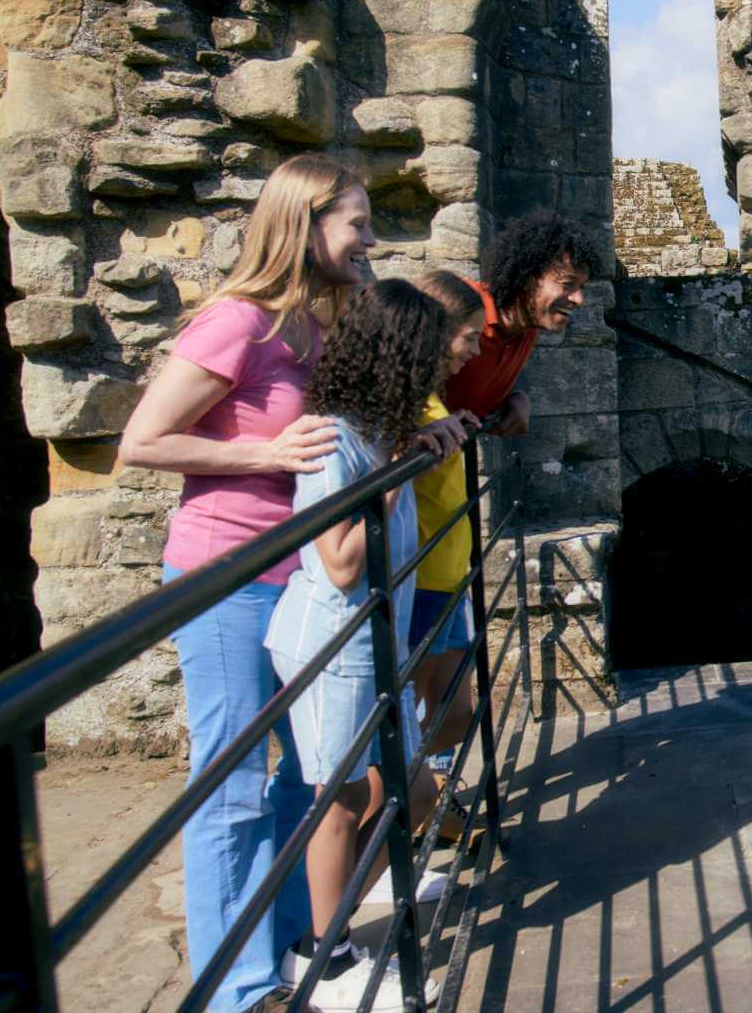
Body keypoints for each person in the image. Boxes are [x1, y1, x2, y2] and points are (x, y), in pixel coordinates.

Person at [120, 154, 371, 1013]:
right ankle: (235, 987)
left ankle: (289, 936)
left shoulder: (323, 325)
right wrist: (260, 453)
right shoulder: (237, 321)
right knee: (230, 783)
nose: (370, 241)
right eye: (357, 225)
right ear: (305, 225)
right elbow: (143, 441)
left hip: (300, 578)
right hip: (227, 576)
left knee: (312, 771)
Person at [264, 280, 449, 1012]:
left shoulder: (369, 434)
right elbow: (340, 562)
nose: (437, 374)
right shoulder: (332, 438)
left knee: (416, 788)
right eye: (428, 358)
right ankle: (323, 958)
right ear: (397, 357)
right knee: (339, 803)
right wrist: (394, 471)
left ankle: (327, 931)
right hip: (333, 644)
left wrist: (411, 458)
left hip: (372, 642)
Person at [405, 271, 487, 842]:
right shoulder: (408, 401)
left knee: (456, 714)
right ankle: (411, 809)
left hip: (448, 574)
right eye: (470, 338)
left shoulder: (431, 400)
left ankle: (422, 795)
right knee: (410, 712)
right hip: (418, 582)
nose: (477, 352)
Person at [443, 210, 610, 434]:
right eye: (568, 284)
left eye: (582, 287)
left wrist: (518, 399)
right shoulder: (460, 306)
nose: (579, 299)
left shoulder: (526, 329)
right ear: (527, 278)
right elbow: (397, 373)